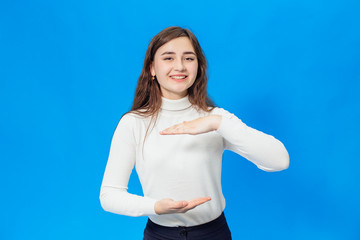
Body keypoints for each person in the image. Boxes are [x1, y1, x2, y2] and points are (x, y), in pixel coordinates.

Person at [99, 26, 289, 240]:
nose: (179, 66)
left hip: (213, 233)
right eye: (168, 58)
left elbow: (279, 160)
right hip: (159, 234)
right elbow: (109, 196)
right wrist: (156, 206)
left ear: (198, 66)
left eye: (188, 58)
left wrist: (218, 123)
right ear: (152, 68)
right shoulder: (133, 123)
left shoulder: (216, 119)